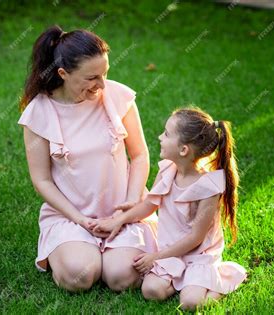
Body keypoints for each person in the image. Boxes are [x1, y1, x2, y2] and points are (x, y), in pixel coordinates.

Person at [18, 25, 157, 292]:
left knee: (122, 277)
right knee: (78, 277)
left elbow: (139, 156)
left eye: (105, 73)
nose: (102, 84)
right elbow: (42, 180)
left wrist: (129, 206)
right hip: (70, 215)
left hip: (122, 210)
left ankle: (113, 252)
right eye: (92, 77)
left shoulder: (118, 96)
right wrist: (80, 220)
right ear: (63, 74)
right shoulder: (39, 113)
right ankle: (79, 249)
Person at [92, 107, 247, 309]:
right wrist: (118, 220)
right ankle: (182, 280)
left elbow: (195, 238)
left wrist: (155, 258)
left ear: (183, 150)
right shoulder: (167, 170)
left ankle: (223, 279)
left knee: (191, 303)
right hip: (170, 250)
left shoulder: (209, 187)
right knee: (151, 291)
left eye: (166, 134)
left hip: (198, 255)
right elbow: (149, 205)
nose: (159, 137)